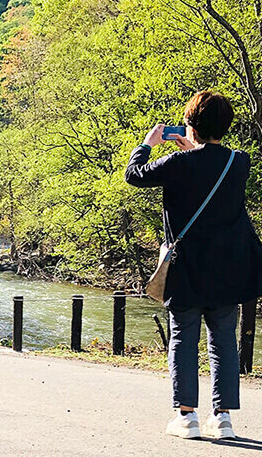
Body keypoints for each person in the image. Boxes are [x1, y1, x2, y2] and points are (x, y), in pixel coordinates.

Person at [125, 90, 262, 440]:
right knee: (223, 341)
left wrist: (148, 143)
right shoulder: (238, 162)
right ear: (225, 126)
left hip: (187, 270)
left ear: (189, 124)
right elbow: (211, 170)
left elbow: (134, 174)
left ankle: (186, 417)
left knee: (184, 339)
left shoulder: (177, 164)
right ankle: (224, 418)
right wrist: (196, 149)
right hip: (229, 269)